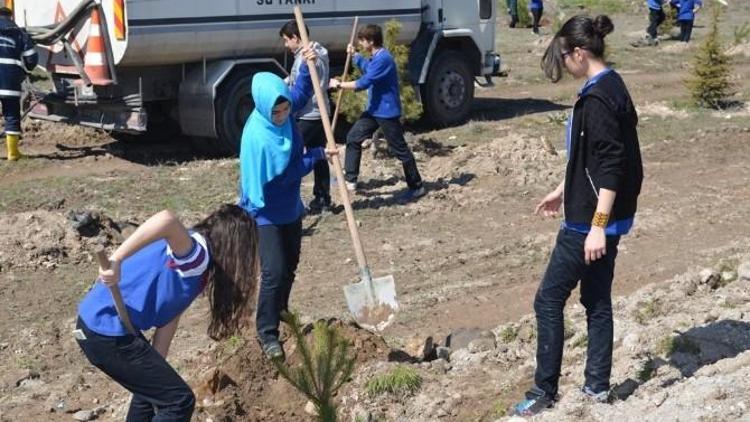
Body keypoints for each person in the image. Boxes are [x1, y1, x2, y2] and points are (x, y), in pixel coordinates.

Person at [512, 14, 644, 416]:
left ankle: (543, 391)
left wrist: (596, 229)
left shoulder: (599, 98)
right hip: (599, 214)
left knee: (548, 300)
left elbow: (611, 166)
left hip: (590, 222)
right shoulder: (610, 83)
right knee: (596, 299)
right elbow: (590, 158)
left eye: (565, 55)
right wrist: (560, 190)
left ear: (580, 52)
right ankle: (597, 388)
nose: (564, 63)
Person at [75, 205, 259, 421]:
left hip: (97, 327)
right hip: (106, 330)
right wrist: (116, 260)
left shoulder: (195, 266)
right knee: (179, 401)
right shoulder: (197, 256)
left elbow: (169, 317)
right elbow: (167, 219)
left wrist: (156, 362)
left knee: (151, 394)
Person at [239, 48, 334, 359]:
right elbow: (286, 173)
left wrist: (308, 62)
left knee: (291, 266)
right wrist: (317, 156)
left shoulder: (286, 112)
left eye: (285, 110)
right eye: (276, 112)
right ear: (264, 108)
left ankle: (281, 311)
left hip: (290, 207)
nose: (282, 116)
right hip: (264, 210)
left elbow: (302, 91)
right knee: (274, 272)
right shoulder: (260, 137)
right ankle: (267, 333)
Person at [329, 24, 426, 203]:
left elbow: (365, 82)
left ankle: (417, 186)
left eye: (362, 41)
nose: (360, 43)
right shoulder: (376, 57)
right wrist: (355, 56)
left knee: (400, 150)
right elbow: (368, 68)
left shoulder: (384, 59)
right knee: (353, 137)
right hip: (374, 110)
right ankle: (351, 180)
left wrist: (340, 85)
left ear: (371, 41)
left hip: (386, 112)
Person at [279, 20, 333, 214]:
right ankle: (322, 197)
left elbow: (315, 68)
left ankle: (293, 200)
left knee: (291, 154)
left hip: (311, 114)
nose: (286, 45)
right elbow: (295, 80)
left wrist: (314, 58)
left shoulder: (311, 54)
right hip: (315, 113)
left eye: (287, 40)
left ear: (296, 37)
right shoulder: (302, 54)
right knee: (317, 153)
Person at [0, 6, 38, 161]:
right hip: (10, 82)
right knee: (11, 115)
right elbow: (31, 59)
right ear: (11, 17)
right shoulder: (20, 34)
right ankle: (13, 153)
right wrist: (26, 71)